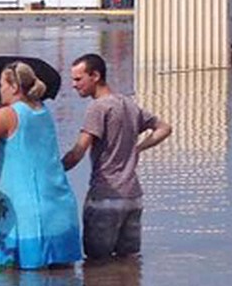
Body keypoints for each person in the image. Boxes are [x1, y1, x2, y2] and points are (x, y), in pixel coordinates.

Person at [0, 61, 82, 269]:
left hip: (27, 216)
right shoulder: (41, 109)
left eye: (1, 85)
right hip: (59, 210)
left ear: (14, 87)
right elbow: (12, 116)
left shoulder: (7, 115)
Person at [61, 53, 172, 259]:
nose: (74, 85)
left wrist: (53, 171)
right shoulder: (128, 104)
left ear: (95, 76)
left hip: (105, 197)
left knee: (96, 264)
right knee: (129, 262)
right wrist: (139, 147)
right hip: (133, 198)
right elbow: (164, 128)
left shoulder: (98, 107)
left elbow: (78, 151)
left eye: (78, 79)